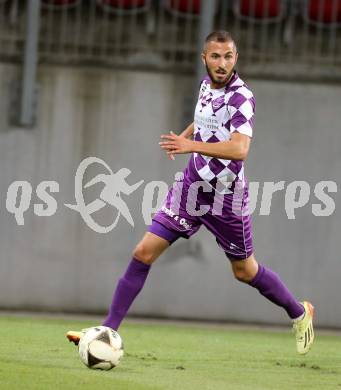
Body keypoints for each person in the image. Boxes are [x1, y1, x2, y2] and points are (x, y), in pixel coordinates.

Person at [67, 31, 314, 355]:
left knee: (244, 271)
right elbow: (205, 122)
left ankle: (299, 312)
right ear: (204, 58)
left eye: (228, 56)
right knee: (143, 252)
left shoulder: (241, 97)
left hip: (226, 197)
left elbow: (240, 149)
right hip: (192, 188)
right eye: (215, 56)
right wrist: (184, 135)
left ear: (235, 59)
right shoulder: (206, 87)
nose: (222, 63)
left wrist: (190, 146)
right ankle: (107, 332)